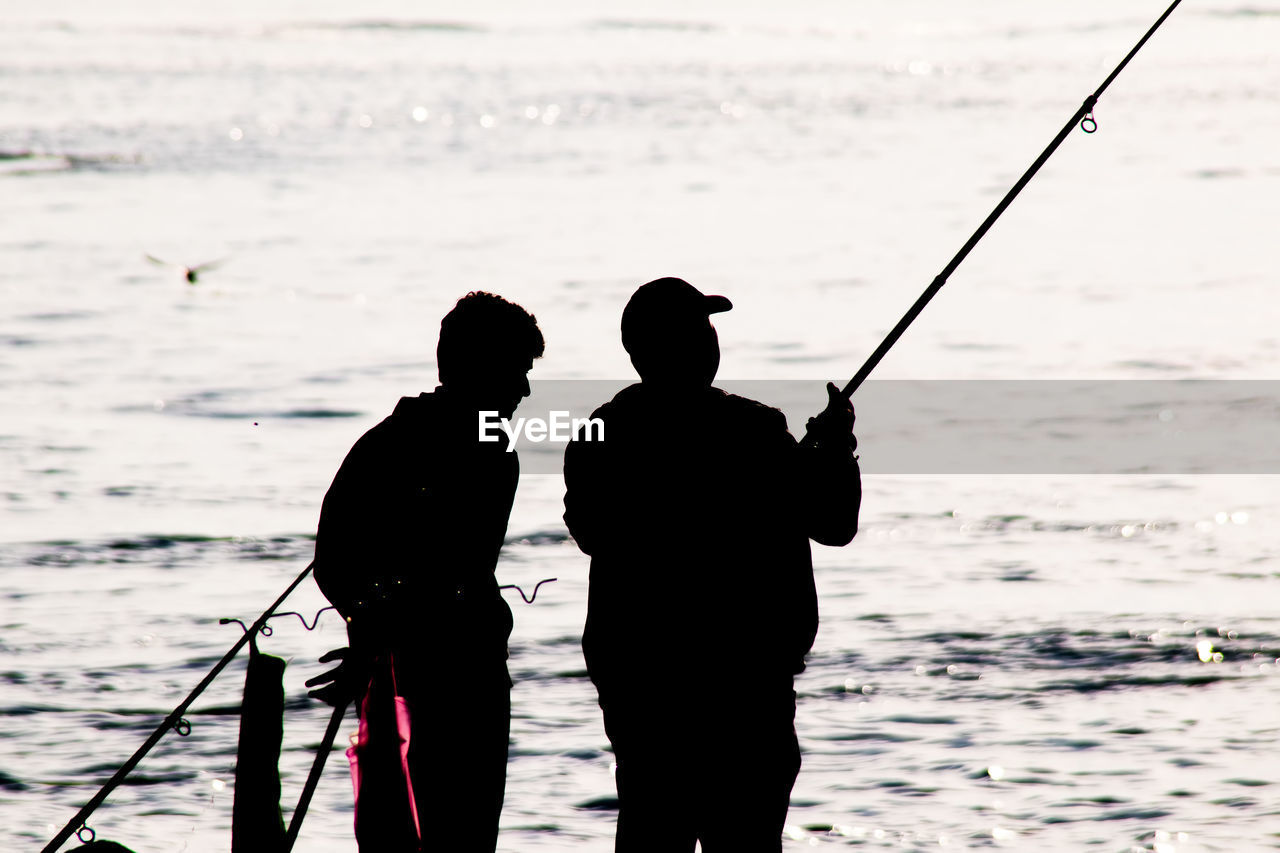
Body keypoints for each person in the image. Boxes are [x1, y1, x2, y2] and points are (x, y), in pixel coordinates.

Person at [563, 277, 861, 852]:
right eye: (697, 330)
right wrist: (833, 450)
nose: (708, 341)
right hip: (744, 693)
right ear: (656, 348)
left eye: (708, 328)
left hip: (644, 694)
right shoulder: (755, 431)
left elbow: (590, 530)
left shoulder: (598, 436)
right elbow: (834, 524)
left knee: (652, 832)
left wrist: (820, 454)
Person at [312, 291, 544, 853]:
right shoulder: (489, 454)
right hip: (450, 680)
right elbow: (448, 570)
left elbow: (335, 560)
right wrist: (376, 633)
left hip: (407, 675)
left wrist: (369, 629)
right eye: (518, 369)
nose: (526, 389)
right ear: (478, 368)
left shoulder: (384, 444)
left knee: (397, 836)